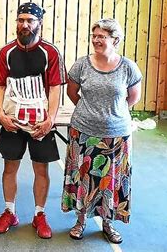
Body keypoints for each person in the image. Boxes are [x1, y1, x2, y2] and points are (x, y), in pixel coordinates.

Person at [61, 18, 142, 243]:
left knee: (110, 181)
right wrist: (90, 113)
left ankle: (108, 223)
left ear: (115, 40)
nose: (96, 40)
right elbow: (72, 93)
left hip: (117, 135)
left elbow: (133, 98)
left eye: (102, 37)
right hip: (83, 132)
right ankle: (80, 221)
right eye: (94, 36)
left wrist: (113, 115)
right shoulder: (81, 65)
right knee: (83, 177)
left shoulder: (128, 67)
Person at [0, 2, 66, 238]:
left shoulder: (50, 52)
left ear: (39, 24)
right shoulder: (6, 52)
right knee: (9, 167)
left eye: (30, 21)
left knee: (41, 169)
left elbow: (55, 88)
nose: (25, 25)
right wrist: (2, 115)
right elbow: (0, 85)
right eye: (21, 20)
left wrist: (50, 120)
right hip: (13, 122)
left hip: (40, 123)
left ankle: (39, 215)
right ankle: (9, 212)